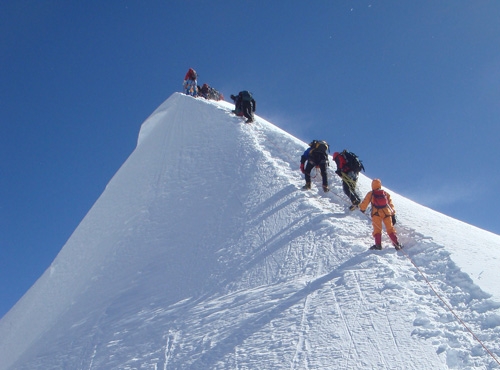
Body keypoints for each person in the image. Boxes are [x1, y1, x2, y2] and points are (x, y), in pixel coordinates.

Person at [359, 178, 402, 251]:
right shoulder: (385, 193)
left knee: (377, 229)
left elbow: (365, 202)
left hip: (376, 213)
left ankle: (378, 245)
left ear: (372, 185)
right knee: (390, 228)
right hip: (387, 213)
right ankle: (396, 244)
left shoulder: (371, 193)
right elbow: (390, 204)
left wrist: (362, 209)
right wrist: (393, 213)